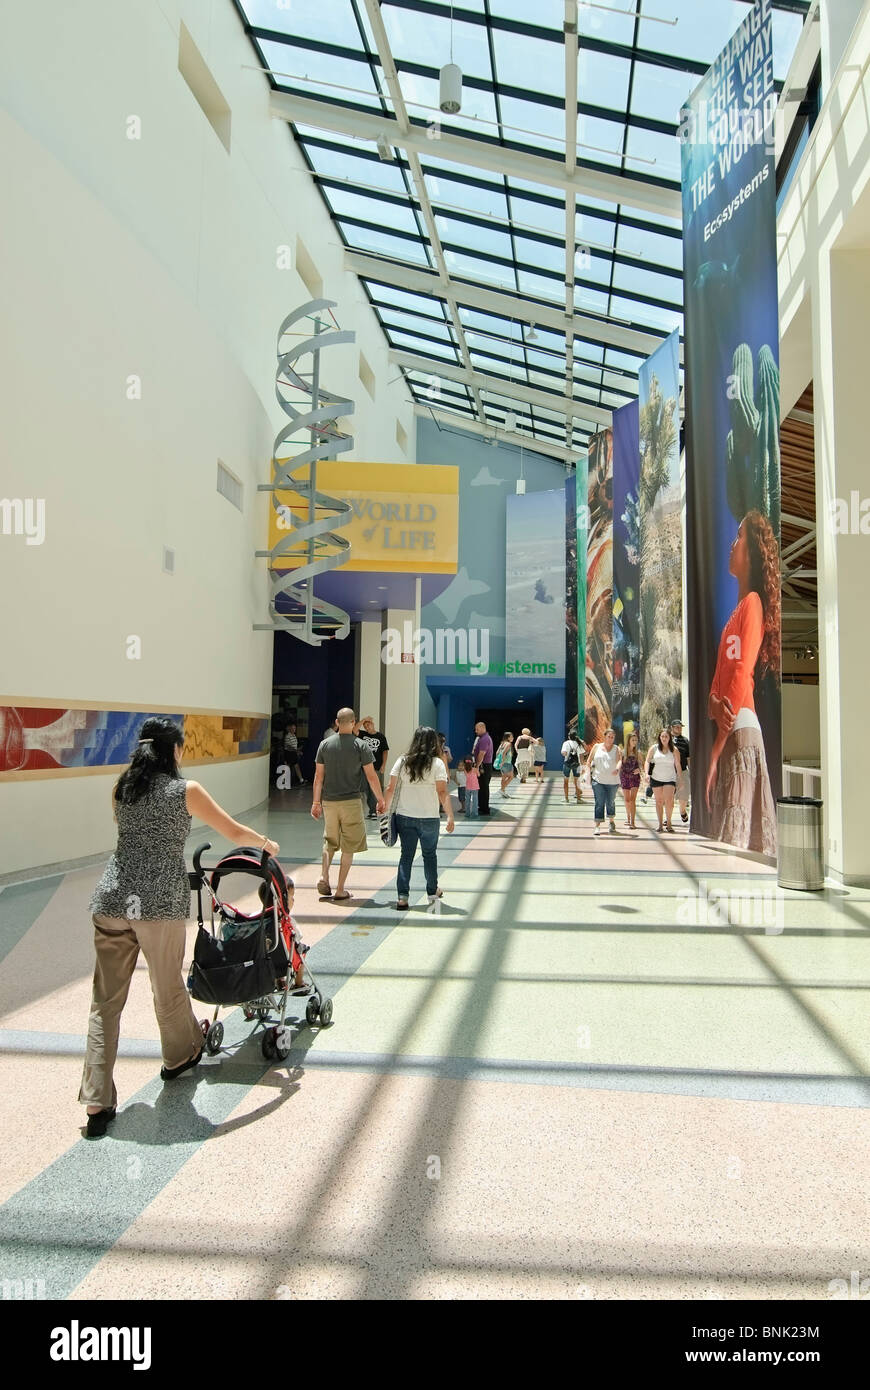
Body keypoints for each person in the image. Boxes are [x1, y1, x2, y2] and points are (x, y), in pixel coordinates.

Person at [80, 716, 281, 1139]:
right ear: (173, 751)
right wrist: (265, 843)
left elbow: (129, 839)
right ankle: (178, 1059)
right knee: (166, 986)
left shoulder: (121, 789)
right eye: (182, 748)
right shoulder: (184, 791)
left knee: (105, 1002)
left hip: (112, 900)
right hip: (158, 904)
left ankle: (97, 1101)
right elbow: (230, 830)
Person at [706, 512, 779, 855]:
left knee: (739, 834)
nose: (732, 544)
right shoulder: (734, 615)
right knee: (735, 833)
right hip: (733, 730)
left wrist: (716, 751)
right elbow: (715, 690)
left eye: (739, 538)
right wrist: (715, 705)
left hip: (741, 729)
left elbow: (739, 676)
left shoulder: (752, 604)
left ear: (750, 552)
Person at [311, 708, 385, 902]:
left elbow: (319, 777)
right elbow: (371, 776)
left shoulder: (325, 745)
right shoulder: (360, 746)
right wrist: (381, 799)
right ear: (353, 723)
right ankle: (340, 889)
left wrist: (315, 802)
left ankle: (323, 876)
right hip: (351, 801)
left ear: (337, 722)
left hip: (329, 802)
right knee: (349, 846)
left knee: (330, 841)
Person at [383, 726, 454, 910]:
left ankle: (402, 897)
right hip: (429, 818)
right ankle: (432, 890)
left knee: (406, 856)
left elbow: (391, 788)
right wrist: (450, 816)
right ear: (434, 743)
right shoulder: (437, 764)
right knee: (429, 855)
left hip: (405, 816)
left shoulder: (403, 760)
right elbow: (442, 791)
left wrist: (384, 804)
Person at [644, 727, 682, 833]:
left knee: (669, 801)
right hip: (656, 778)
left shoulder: (674, 750)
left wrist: (680, 779)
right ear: (659, 738)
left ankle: (669, 823)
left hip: (670, 778)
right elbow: (647, 761)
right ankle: (660, 824)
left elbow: (678, 764)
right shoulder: (654, 748)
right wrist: (647, 774)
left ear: (669, 738)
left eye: (666, 736)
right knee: (659, 801)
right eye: (662, 736)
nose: (664, 738)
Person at [587, 727, 622, 835]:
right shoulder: (596, 747)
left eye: (612, 737)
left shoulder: (616, 748)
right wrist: (588, 771)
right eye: (609, 737)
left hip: (612, 781)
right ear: (604, 736)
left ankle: (611, 821)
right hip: (598, 780)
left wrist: (617, 768)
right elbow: (588, 761)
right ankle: (597, 826)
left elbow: (620, 760)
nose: (610, 739)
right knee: (599, 802)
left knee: (610, 802)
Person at [357, 715, 389, 820]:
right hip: (363, 767)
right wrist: (363, 720)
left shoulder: (380, 736)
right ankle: (372, 810)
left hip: (376, 767)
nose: (367, 727)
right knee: (365, 788)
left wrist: (384, 765)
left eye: (368, 724)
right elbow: (354, 730)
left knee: (374, 789)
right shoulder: (362, 734)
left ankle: (374, 811)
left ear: (373, 724)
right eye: (365, 725)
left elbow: (385, 751)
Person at [619, 729, 642, 828]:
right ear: (628, 741)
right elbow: (619, 764)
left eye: (636, 740)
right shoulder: (622, 752)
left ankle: (632, 822)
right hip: (624, 777)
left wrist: (639, 770)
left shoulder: (638, 753)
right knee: (627, 800)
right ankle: (628, 817)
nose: (635, 742)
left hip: (635, 778)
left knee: (633, 800)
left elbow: (642, 764)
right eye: (633, 740)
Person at [472, 721, 494, 815]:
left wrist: (477, 766)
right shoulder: (483, 738)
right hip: (484, 765)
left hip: (484, 766)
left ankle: (484, 809)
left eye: (477, 729)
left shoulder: (484, 739)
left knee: (484, 787)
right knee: (481, 787)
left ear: (482, 728)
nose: (476, 731)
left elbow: (481, 754)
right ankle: (482, 806)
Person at [671, 720, 690, 823]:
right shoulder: (667, 739)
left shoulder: (685, 741)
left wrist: (690, 771)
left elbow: (688, 758)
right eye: (677, 727)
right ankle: (667, 818)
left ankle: (682, 811)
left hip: (682, 771)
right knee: (668, 797)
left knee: (684, 796)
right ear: (672, 727)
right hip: (669, 772)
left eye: (680, 727)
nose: (679, 729)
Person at [561, 729, 585, 803]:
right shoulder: (579, 743)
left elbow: (564, 753)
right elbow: (581, 756)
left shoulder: (566, 743)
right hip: (576, 765)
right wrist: (582, 766)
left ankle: (566, 798)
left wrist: (565, 753)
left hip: (567, 763)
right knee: (577, 782)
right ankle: (578, 799)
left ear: (569, 736)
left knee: (566, 782)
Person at [282, 722, 305, 787]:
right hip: (289, 753)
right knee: (287, 767)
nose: (294, 729)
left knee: (296, 766)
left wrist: (297, 750)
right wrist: (297, 750)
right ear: (290, 729)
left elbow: (294, 746)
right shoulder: (288, 736)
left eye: (295, 728)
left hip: (293, 753)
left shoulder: (294, 736)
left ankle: (301, 780)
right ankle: (283, 781)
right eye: (293, 728)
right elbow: (288, 746)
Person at [495, 731, 515, 798]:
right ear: (508, 737)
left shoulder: (502, 743)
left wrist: (499, 761)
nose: (513, 738)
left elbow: (497, 753)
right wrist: (503, 761)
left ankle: (503, 791)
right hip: (506, 763)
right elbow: (503, 753)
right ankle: (502, 789)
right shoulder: (508, 744)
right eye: (512, 737)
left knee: (503, 777)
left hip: (502, 764)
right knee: (511, 777)